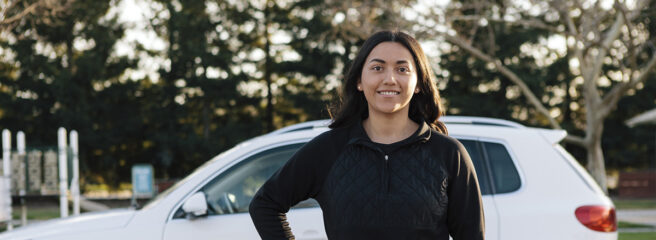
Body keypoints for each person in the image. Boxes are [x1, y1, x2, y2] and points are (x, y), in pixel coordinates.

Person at [249, 30, 485, 240]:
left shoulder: (448, 154)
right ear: (360, 81)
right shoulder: (329, 149)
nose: (389, 79)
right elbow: (265, 204)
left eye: (402, 69)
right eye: (377, 68)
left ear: (419, 84)